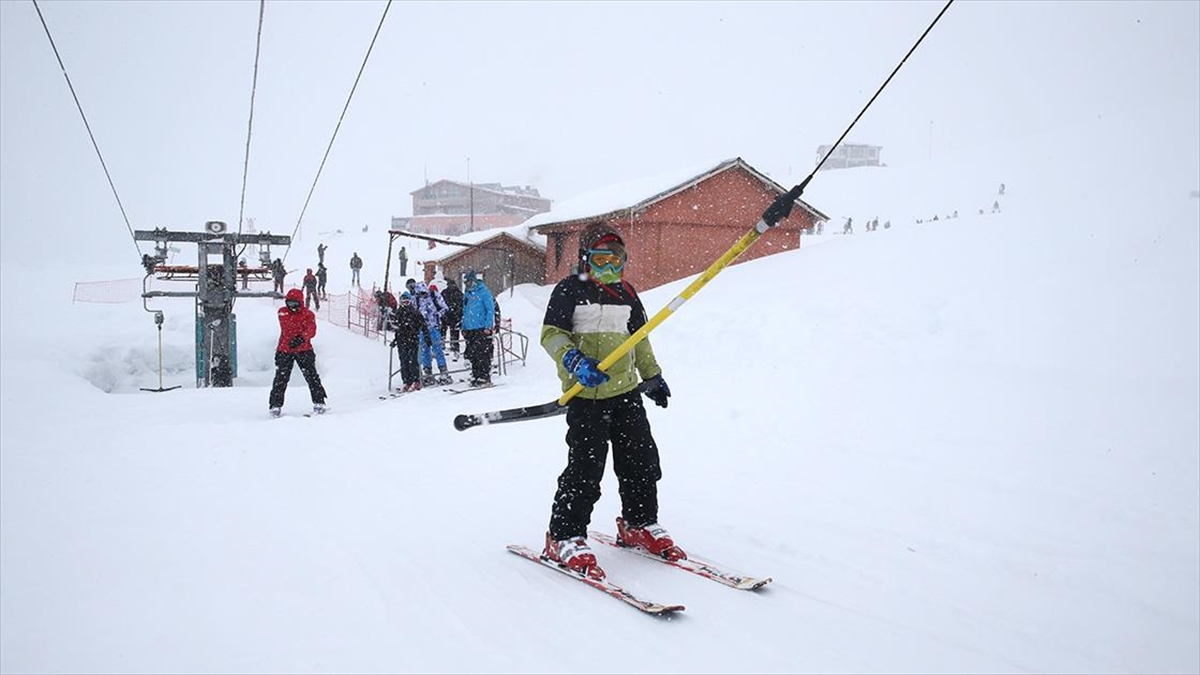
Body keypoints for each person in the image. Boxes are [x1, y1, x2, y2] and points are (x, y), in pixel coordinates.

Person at [538, 224, 678, 580]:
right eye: (601, 259)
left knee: (641, 460)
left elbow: (639, 338)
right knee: (586, 468)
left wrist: (652, 375)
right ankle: (564, 535)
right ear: (586, 258)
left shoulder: (627, 293)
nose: (610, 267)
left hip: (625, 392)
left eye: (616, 259)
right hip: (586, 395)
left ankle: (638, 523)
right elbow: (551, 335)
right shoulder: (569, 290)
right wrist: (573, 361)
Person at [269, 289, 328, 417]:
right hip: (285, 350)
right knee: (281, 378)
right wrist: (296, 337)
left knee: (312, 377)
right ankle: (275, 405)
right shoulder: (282, 312)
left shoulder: (308, 314)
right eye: (289, 303)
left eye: (295, 304)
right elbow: (288, 327)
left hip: (304, 349)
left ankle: (319, 401)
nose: (292, 307)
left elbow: (311, 329)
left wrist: (301, 338)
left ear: (300, 302)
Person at [460, 270, 496, 386]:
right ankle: (476, 375)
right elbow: (465, 311)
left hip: (481, 328)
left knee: (482, 354)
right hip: (470, 329)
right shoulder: (467, 295)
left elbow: (490, 310)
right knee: (473, 354)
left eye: (469, 282)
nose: (468, 285)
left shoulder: (484, 293)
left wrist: (488, 326)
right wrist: (464, 327)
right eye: (466, 283)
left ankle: (484, 376)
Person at [413, 281, 451, 385]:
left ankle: (443, 371)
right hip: (422, 329)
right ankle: (428, 372)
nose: (422, 295)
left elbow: (445, 307)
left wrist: (437, 315)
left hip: (434, 327)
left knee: (437, 349)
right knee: (424, 350)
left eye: (423, 293)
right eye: (420, 293)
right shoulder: (415, 299)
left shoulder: (434, 295)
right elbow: (413, 312)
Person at [388, 292, 427, 392]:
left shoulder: (415, 312)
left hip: (412, 339)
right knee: (404, 362)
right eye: (404, 302)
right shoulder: (399, 312)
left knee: (413, 361)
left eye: (407, 302)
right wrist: (395, 340)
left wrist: (427, 337)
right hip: (402, 340)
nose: (405, 304)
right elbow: (398, 329)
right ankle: (407, 381)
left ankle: (416, 380)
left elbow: (423, 325)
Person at [440, 278, 465, 361]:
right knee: (453, 334)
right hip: (452, 316)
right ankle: (454, 349)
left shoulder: (445, 292)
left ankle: (451, 348)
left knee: (448, 332)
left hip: (450, 316)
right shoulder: (458, 293)